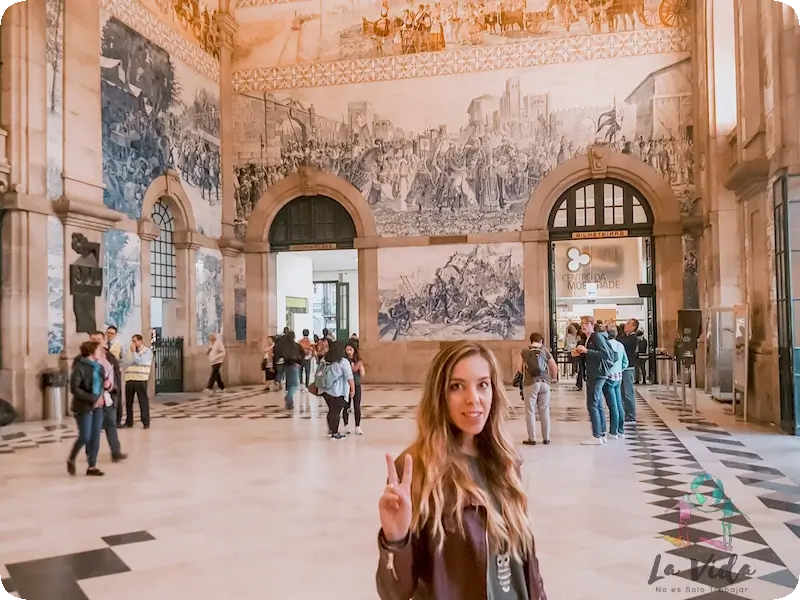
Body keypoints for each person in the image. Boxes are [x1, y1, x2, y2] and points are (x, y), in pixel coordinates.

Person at [375, 341, 546, 600]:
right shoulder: (417, 467)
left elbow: (526, 563)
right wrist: (396, 540)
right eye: (457, 386)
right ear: (439, 394)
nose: (473, 398)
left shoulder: (506, 460)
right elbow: (394, 592)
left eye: (482, 385)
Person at [67, 341, 107, 477]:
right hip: (83, 406)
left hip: (98, 406)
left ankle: (92, 466)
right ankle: (71, 458)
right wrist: (92, 399)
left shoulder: (99, 368)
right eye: (98, 350)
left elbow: (102, 384)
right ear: (91, 352)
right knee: (85, 436)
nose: (100, 352)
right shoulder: (79, 367)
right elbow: (74, 389)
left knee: (95, 437)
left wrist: (104, 389)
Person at [573, 318, 615, 446]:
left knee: (592, 404)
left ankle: (596, 435)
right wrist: (578, 353)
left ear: (592, 325)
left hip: (597, 373)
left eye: (587, 324)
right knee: (597, 404)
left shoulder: (596, 337)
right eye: (582, 324)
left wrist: (587, 351)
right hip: (593, 373)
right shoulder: (588, 339)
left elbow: (605, 354)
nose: (584, 326)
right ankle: (601, 433)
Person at [88, 332, 127, 462]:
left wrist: (113, 389)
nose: (96, 342)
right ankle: (91, 453)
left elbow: (115, 376)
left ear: (104, 341)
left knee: (111, 423)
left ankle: (116, 452)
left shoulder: (110, 357)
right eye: (93, 339)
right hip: (92, 398)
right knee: (93, 427)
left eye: (98, 339)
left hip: (108, 396)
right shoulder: (85, 358)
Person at [515, 332, 558, 446]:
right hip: (545, 383)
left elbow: (519, 368)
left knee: (530, 411)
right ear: (541, 341)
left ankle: (532, 438)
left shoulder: (524, 352)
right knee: (544, 410)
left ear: (530, 341)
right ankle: (546, 438)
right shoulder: (545, 351)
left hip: (530, 383)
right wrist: (553, 379)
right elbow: (554, 367)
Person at [313, 340, 354, 439]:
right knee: (336, 412)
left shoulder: (325, 358)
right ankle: (334, 433)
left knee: (332, 410)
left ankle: (331, 430)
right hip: (337, 391)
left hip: (324, 390)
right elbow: (349, 377)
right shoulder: (343, 361)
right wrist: (352, 389)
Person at [123, 334, 153, 429]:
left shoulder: (147, 351)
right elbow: (126, 362)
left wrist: (134, 354)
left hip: (141, 379)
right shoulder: (130, 351)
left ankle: (145, 422)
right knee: (128, 402)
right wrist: (133, 357)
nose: (133, 343)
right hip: (130, 379)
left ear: (140, 341)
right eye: (132, 341)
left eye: (135, 341)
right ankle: (129, 421)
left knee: (143, 401)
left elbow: (140, 361)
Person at [604, 327, 628, 439]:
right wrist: (619, 370)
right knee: (619, 404)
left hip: (608, 377)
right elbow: (625, 362)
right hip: (618, 377)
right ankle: (620, 430)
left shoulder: (606, 345)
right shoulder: (620, 345)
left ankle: (613, 431)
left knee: (612, 405)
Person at [618, 319, 640, 422]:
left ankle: (631, 415)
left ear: (633, 327)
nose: (625, 325)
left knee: (627, 392)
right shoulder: (625, 337)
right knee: (622, 392)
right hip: (622, 367)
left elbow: (621, 342)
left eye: (627, 324)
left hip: (628, 368)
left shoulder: (633, 338)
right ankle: (625, 413)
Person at [344, 343, 365, 435]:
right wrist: (355, 366)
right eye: (347, 350)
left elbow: (362, 374)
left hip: (356, 384)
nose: (348, 352)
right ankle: (346, 425)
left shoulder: (358, 360)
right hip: (346, 385)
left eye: (350, 349)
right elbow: (351, 370)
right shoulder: (344, 361)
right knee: (346, 406)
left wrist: (360, 368)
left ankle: (357, 426)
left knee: (357, 406)